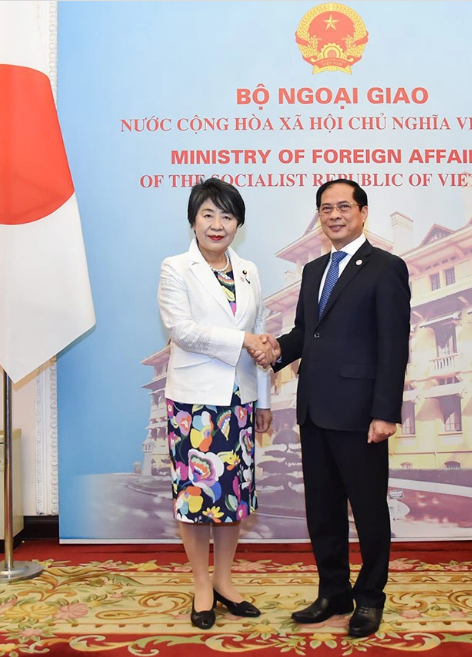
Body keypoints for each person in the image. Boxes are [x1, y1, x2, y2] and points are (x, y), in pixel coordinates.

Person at [268, 179, 411, 638]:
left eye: (343, 207)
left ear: (363, 212)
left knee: (369, 510)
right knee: (322, 510)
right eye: (326, 208)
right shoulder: (312, 271)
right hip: (314, 410)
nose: (334, 215)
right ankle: (333, 592)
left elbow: (394, 344)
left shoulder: (386, 267)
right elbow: (305, 335)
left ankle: (370, 597)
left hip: (361, 414)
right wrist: (271, 350)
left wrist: (385, 411)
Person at [157, 178, 276, 630]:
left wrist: (262, 399)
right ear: (193, 219)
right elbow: (182, 330)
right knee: (196, 498)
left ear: (238, 224)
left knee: (231, 498)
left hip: (239, 401)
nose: (217, 224)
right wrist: (242, 339)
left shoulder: (248, 271)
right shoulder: (175, 268)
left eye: (227, 216)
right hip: (193, 405)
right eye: (208, 214)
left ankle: (225, 582)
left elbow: (261, 333)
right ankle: (202, 585)